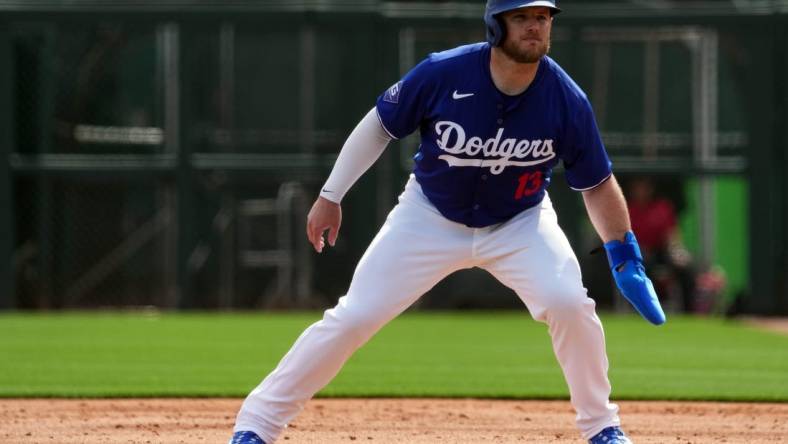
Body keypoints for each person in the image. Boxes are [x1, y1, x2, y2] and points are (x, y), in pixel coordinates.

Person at [229, 1, 665, 443]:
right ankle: (257, 424)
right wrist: (331, 194)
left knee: (570, 305)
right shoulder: (444, 72)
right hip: (429, 215)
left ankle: (602, 427)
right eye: (522, 17)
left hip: (520, 222)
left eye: (543, 18)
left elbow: (597, 182)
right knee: (354, 317)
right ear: (497, 26)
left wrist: (624, 252)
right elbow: (379, 125)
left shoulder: (567, 98)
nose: (535, 27)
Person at [626, 177, 696, 312]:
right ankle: (646, 308)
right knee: (644, 268)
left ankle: (689, 310)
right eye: (638, 188)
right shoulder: (628, 209)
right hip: (638, 253)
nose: (641, 192)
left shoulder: (662, 207)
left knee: (685, 268)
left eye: (645, 188)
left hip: (662, 251)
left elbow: (672, 235)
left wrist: (676, 251)